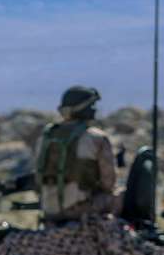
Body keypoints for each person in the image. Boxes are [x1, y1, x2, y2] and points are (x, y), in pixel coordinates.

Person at [34, 85, 119, 224]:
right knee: (121, 196)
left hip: (49, 211)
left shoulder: (46, 136)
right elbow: (109, 183)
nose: (95, 109)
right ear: (83, 109)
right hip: (79, 211)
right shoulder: (96, 137)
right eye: (92, 105)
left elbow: (38, 177)